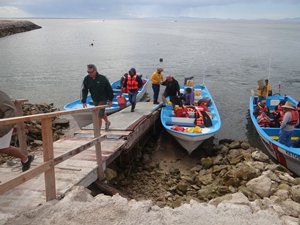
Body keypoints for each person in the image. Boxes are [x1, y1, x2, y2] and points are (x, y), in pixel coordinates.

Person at [0, 90, 34, 172]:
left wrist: (3, 127)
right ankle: (26, 159)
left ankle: (25, 158)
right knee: (3, 148)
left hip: (4, 125)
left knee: (3, 148)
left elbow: (11, 110)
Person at [81, 64, 113, 130]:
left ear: (95, 71)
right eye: (88, 72)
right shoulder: (87, 79)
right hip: (95, 99)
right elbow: (85, 90)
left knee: (98, 115)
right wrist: (84, 101)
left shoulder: (102, 78)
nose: (89, 73)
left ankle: (98, 133)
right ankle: (107, 122)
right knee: (101, 113)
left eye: (91, 72)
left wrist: (110, 100)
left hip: (103, 99)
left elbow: (109, 89)